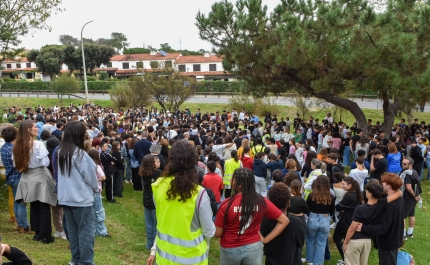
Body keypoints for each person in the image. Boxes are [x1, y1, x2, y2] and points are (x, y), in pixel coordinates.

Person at [147, 140, 215, 265]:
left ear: (171, 159)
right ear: (193, 161)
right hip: (192, 259)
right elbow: (209, 231)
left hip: (164, 258)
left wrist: (153, 250)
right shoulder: (199, 193)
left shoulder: (158, 186)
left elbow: (161, 219)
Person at [214, 168, 289, 265]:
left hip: (230, 248)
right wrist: (266, 239)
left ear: (240, 185)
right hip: (254, 247)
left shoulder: (226, 204)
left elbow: (217, 234)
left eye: (233, 179)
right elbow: (284, 220)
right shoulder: (261, 201)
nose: (230, 181)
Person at [55, 121, 99, 265]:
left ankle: (76, 259)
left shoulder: (61, 151)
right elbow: (92, 177)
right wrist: (95, 189)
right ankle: (85, 262)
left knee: (73, 232)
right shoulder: (79, 154)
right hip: (81, 199)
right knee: (86, 232)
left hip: (66, 198)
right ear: (78, 135)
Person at [13, 120, 57, 244]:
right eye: (34, 127)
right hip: (39, 175)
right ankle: (46, 235)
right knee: (44, 206)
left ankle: (37, 233)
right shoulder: (37, 144)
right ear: (28, 129)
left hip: (27, 177)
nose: (37, 128)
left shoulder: (17, 145)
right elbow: (45, 163)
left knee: (33, 206)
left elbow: (15, 164)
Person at [342, 183, 402, 265]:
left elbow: (353, 227)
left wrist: (345, 242)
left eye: (367, 191)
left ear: (370, 194)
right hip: (367, 242)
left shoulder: (360, 209)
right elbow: (398, 193)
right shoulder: (381, 205)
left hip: (355, 241)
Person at [358, 173, 404, 265]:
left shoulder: (391, 205)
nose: (382, 184)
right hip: (394, 239)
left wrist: (363, 228)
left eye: (383, 183)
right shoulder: (398, 198)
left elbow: (383, 227)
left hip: (388, 241)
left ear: (389, 186)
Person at [260, 183, 305, 265]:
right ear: (288, 202)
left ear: (270, 203)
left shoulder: (265, 221)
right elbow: (300, 243)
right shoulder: (297, 223)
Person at [0, 126, 31, 233]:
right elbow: (19, 164)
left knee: (17, 202)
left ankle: (19, 225)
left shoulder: (4, 147)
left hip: (10, 177)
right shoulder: (14, 149)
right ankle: (25, 226)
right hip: (18, 177)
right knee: (22, 203)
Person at [305, 175, 335, 265]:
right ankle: (318, 263)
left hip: (312, 218)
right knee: (321, 243)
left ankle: (310, 260)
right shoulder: (331, 196)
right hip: (325, 219)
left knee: (310, 241)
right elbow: (332, 211)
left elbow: (307, 208)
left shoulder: (311, 195)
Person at [333, 177, 362, 265]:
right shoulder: (356, 194)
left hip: (345, 220)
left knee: (337, 238)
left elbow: (338, 207)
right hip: (352, 219)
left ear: (350, 185)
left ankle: (345, 260)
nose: (342, 186)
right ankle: (348, 259)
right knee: (346, 240)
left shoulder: (349, 196)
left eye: (344, 184)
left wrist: (344, 208)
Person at [139, 154, 161, 250]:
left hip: (146, 199)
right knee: (156, 224)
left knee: (149, 223)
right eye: (156, 161)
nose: (158, 162)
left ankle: (149, 243)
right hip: (154, 200)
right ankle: (155, 244)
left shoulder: (143, 172)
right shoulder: (157, 173)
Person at [87, 148, 110, 238]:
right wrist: (97, 180)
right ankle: (101, 231)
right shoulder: (97, 166)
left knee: (90, 211)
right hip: (96, 191)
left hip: (88, 191)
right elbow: (104, 177)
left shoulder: (86, 166)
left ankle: (91, 229)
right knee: (98, 211)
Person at [399, 157, 421, 240]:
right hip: (413, 198)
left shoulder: (407, 174)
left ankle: (403, 234)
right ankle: (410, 232)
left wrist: (414, 195)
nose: (402, 164)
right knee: (411, 214)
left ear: (410, 165)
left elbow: (408, 187)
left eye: (405, 164)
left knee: (402, 216)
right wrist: (416, 195)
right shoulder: (414, 172)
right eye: (402, 163)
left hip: (407, 197)